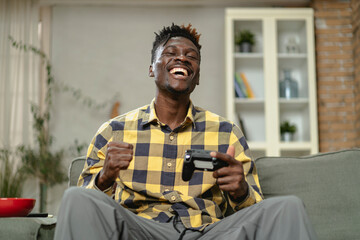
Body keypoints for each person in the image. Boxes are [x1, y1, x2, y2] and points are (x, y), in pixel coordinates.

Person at [54, 23, 317, 240]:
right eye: (171, 53)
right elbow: (86, 206)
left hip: (209, 232)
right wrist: (105, 176)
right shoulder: (114, 131)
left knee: (288, 207)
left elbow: (254, 209)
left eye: (191, 56)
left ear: (197, 75)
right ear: (151, 68)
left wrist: (240, 190)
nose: (182, 57)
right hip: (140, 230)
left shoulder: (227, 132)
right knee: (76, 198)